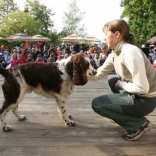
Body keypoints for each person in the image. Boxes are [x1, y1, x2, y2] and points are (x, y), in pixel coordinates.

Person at [89, 19, 156, 141]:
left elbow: (142, 88)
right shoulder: (115, 52)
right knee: (111, 79)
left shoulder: (130, 52)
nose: (104, 38)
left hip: (145, 101)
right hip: (138, 95)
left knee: (98, 104)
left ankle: (139, 124)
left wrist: (122, 84)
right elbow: (98, 74)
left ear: (117, 34)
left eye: (106, 34)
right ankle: (122, 115)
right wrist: (75, 74)